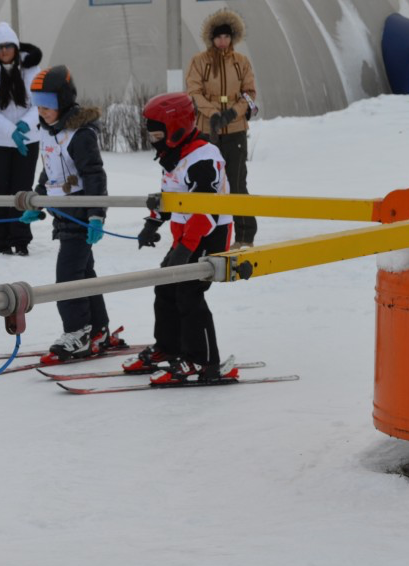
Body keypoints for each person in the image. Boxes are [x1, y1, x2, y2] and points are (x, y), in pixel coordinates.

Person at [124, 93, 239, 384]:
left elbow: (208, 210)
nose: (154, 140)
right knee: (165, 288)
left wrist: (186, 248)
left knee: (188, 294)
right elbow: (173, 197)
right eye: (151, 134)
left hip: (209, 234)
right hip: (186, 236)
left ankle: (204, 361)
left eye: (158, 133)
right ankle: (169, 348)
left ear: (177, 127)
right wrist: (154, 222)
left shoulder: (203, 157)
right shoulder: (173, 155)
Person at [22, 66, 124, 365]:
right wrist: (36, 201)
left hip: (80, 218)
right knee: (84, 274)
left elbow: (94, 175)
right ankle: (98, 329)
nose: (43, 112)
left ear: (64, 101)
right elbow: (50, 170)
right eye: (39, 106)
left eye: (48, 106)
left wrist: (96, 215)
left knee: (67, 278)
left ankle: (77, 331)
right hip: (63, 217)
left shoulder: (80, 135)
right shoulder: (50, 132)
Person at [186, 7, 258, 247]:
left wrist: (231, 114)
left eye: (227, 36)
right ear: (211, 38)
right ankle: (204, 235)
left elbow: (249, 93)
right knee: (208, 183)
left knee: (237, 183)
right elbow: (194, 92)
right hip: (208, 131)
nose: (223, 41)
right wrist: (214, 114)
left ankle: (245, 235)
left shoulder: (241, 62)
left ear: (233, 37)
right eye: (218, 37)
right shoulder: (200, 62)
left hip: (235, 130)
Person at [0, 21, 42, 256]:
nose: (4, 51)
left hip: (28, 140)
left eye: (8, 46)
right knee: (1, 191)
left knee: (23, 190)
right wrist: (11, 131)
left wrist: (25, 125)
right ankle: (2, 239)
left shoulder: (31, 69)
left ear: (16, 47)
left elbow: (40, 102)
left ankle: (21, 238)